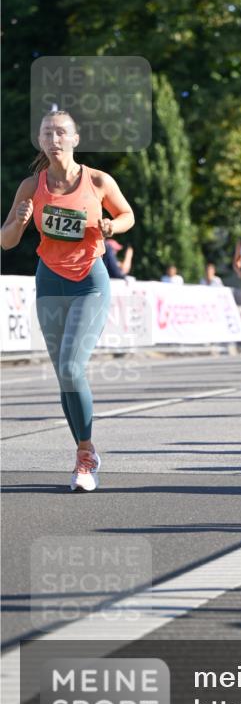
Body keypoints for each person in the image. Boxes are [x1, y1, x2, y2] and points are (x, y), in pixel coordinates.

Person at [0, 109, 134, 492]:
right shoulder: (31, 186)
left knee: (73, 368)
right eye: (47, 133)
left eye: (61, 132)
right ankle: (83, 450)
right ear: (41, 141)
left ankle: (86, 456)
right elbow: (6, 241)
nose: (54, 139)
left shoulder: (97, 180)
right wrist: (19, 222)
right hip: (50, 281)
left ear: (75, 138)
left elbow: (127, 215)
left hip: (90, 280)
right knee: (64, 373)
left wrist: (111, 225)